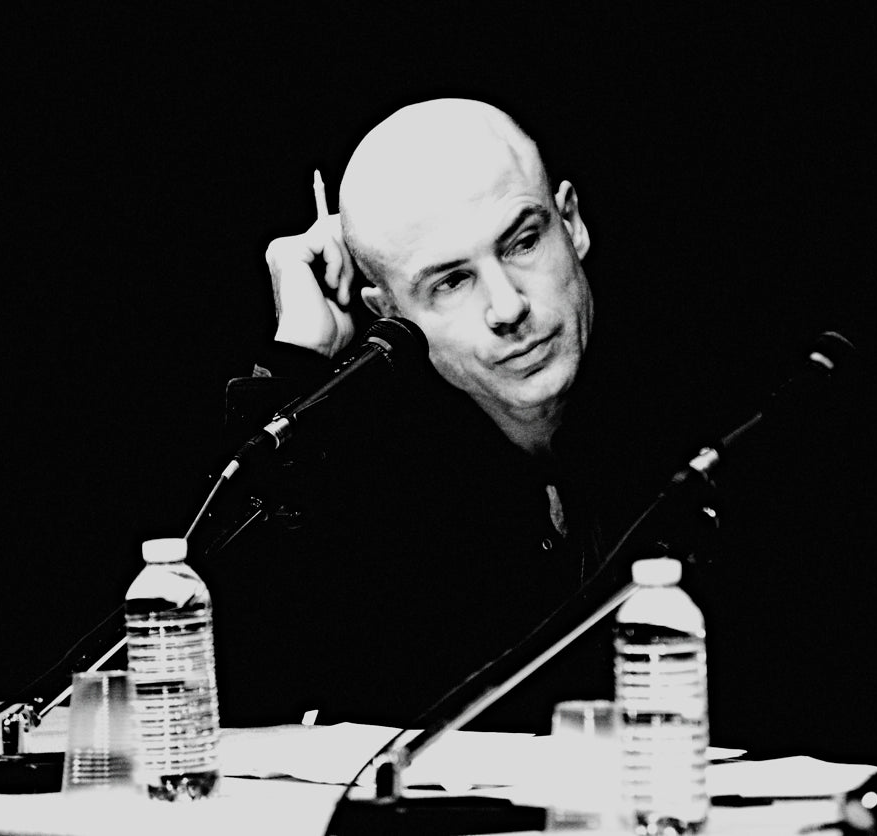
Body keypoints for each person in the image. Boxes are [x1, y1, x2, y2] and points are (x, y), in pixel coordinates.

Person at [209, 98, 643, 732]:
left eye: (524, 243)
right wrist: (297, 366)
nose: (507, 307)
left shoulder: (725, 413)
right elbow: (233, 695)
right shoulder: (388, 480)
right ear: (389, 313)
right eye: (450, 282)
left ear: (571, 222)